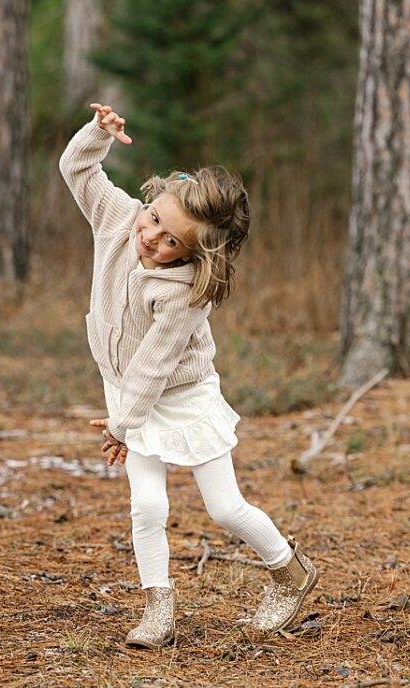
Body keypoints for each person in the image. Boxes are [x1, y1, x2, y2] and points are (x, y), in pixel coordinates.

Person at [61, 102, 317, 650]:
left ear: (192, 253)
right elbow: (78, 171)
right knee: (147, 504)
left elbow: (154, 364)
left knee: (224, 507)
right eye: (154, 218)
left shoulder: (185, 293)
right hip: (126, 393)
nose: (151, 238)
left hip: (179, 398)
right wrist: (96, 135)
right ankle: (158, 607)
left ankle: (290, 571)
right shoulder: (118, 220)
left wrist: (121, 425)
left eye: (171, 240)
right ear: (150, 201)